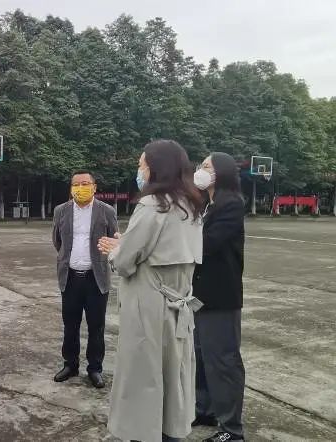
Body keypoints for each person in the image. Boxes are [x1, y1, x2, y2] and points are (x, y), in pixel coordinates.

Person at [98, 140, 207, 442]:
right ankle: (171, 431)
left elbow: (125, 261)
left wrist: (115, 249)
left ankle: (144, 433)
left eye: (141, 164)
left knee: (144, 378)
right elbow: (160, 250)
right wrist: (127, 244)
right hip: (177, 302)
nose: (139, 171)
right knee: (174, 374)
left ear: (156, 168)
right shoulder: (191, 207)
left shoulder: (153, 205)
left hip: (149, 304)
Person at [191, 152, 247, 442]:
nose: (201, 170)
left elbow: (208, 244)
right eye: (201, 165)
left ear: (221, 172)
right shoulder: (206, 205)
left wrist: (175, 240)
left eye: (207, 166)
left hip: (220, 297)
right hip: (200, 294)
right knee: (201, 356)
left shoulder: (231, 204)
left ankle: (231, 430)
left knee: (223, 361)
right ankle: (205, 409)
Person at [51, 170, 118, 388]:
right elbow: (57, 241)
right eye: (77, 184)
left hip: (96, 278)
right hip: (70, 277)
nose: (81, 188)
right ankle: (70, 365)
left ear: (94, 187)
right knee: (70, 325)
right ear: (71, 188)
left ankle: (95, 368)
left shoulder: (106, 211)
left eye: (86, 183)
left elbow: (113, 242)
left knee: (96, 326)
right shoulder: (61, 210)